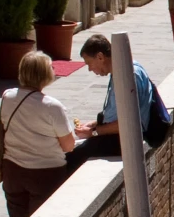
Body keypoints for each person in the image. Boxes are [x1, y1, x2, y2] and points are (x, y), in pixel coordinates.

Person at [0, 49, 78, 217]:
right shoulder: (52, 106)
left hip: (13, 171)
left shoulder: (7, 97)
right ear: (44, 74)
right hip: (46, 174)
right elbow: (68, 146)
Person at [68, 32, 160, 165]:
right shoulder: (118, 71)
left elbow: (128, 122)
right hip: (116, 134)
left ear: (100, 57)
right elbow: (118, 113)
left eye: (89, 64)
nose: (89, 69)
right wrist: (94, 124)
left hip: (124, 139)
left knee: (72, 159)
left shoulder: (127, 76)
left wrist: (93, 132)